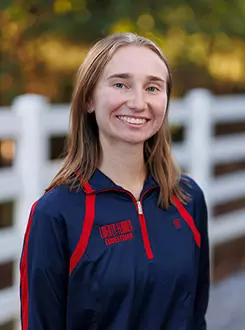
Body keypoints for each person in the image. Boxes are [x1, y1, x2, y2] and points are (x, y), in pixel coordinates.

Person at [20, 32, 210, 330]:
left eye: (152, 87)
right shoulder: (55, 214)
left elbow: (196, 316)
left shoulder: (187, 198)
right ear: (88, 98)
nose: (138, 102)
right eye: (121, 84)